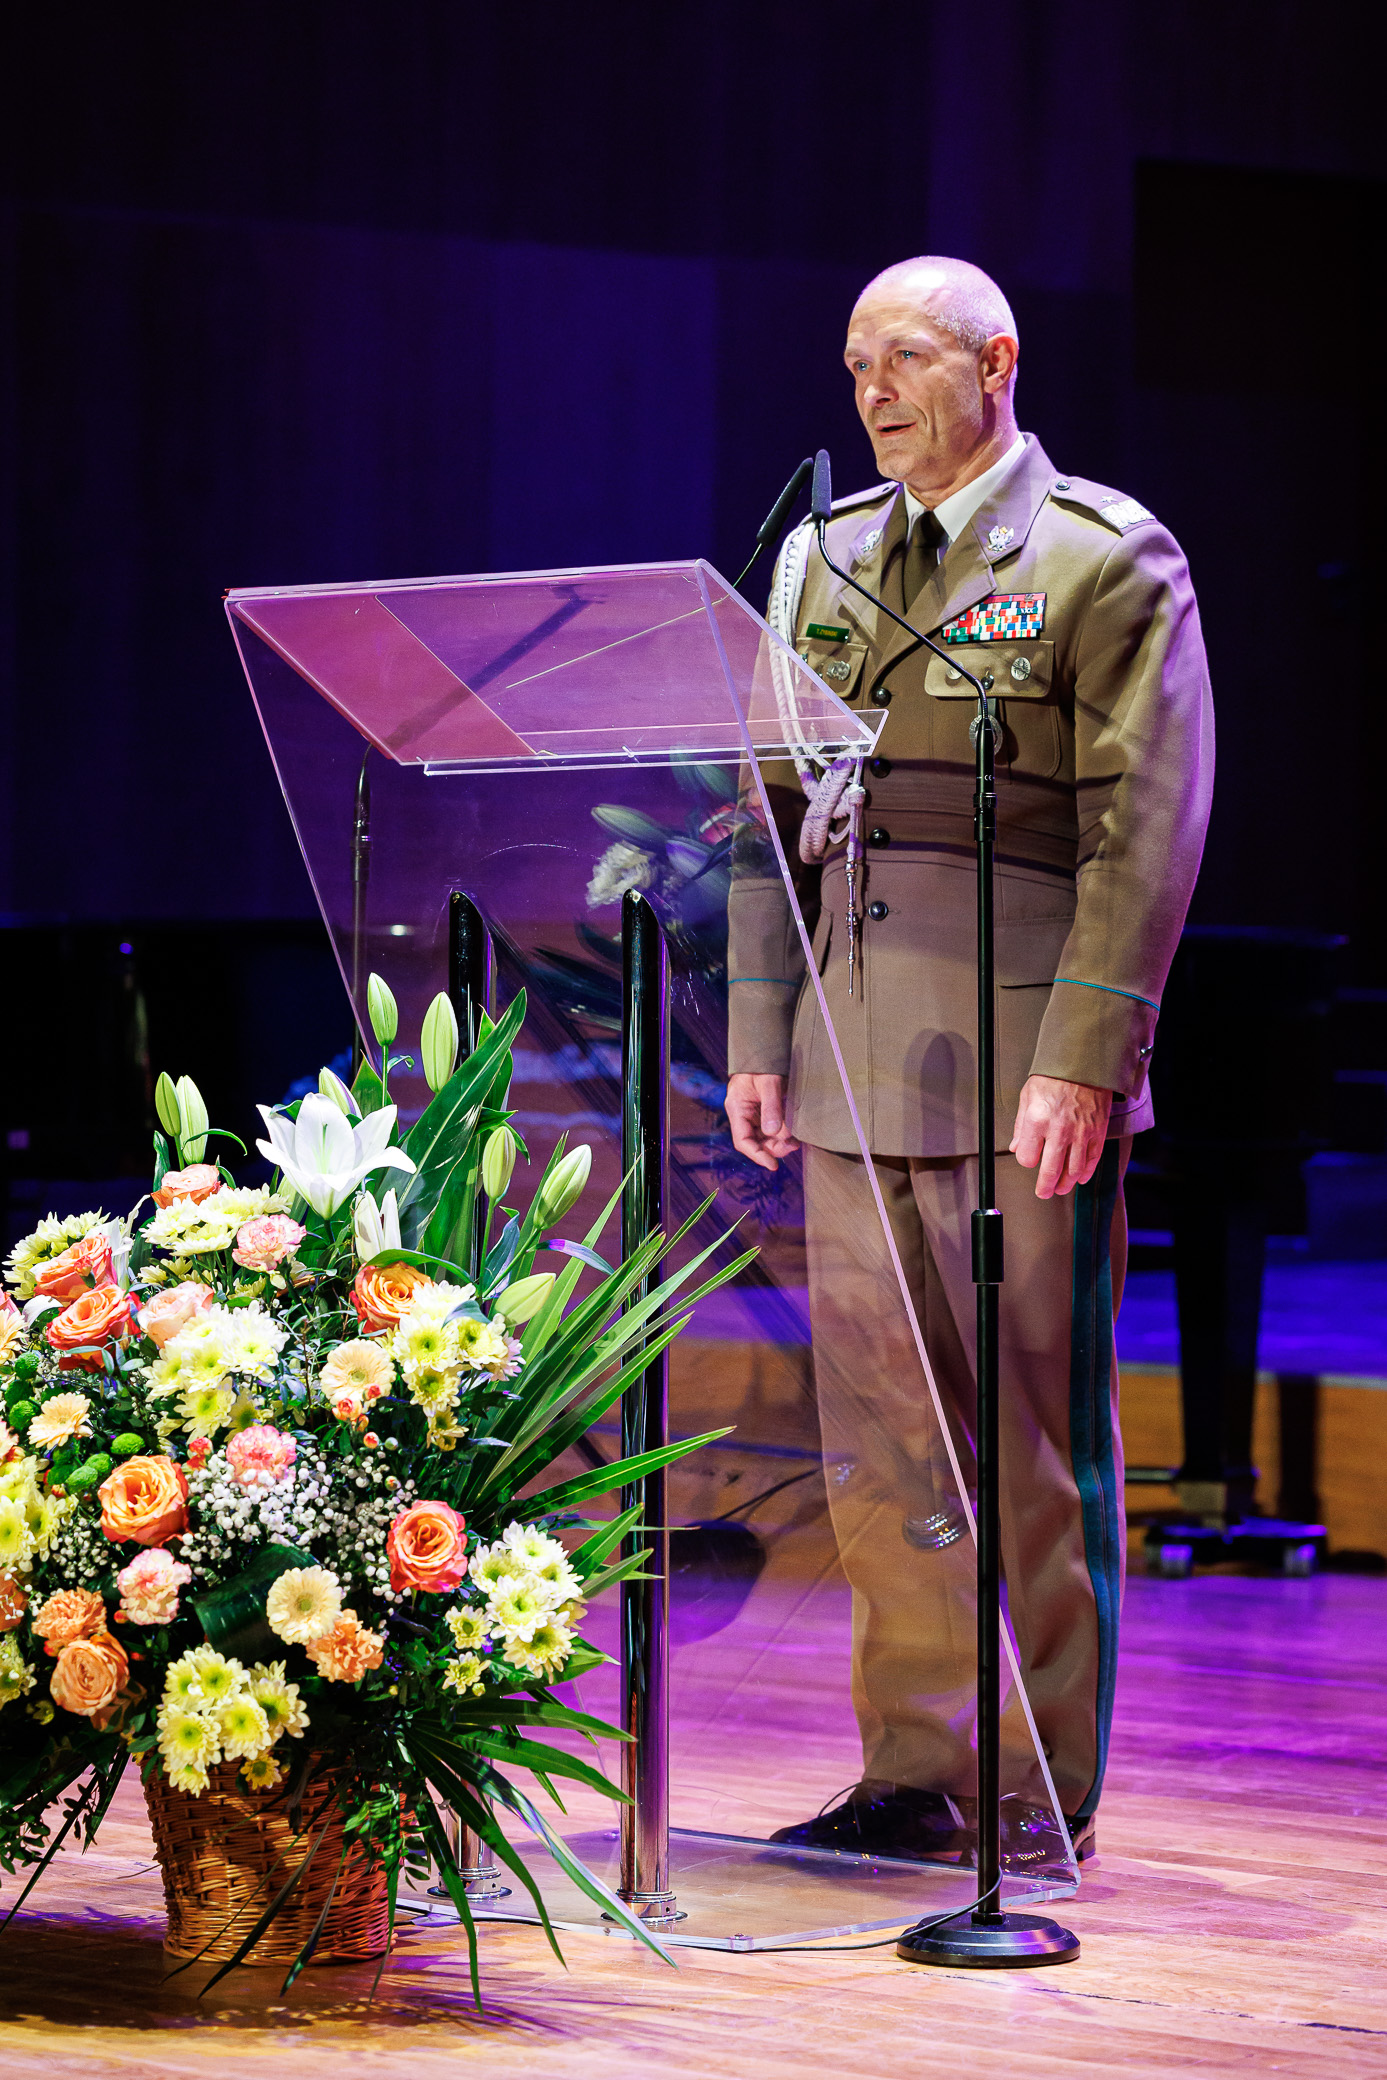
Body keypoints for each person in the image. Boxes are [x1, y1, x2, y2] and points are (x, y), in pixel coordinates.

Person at [723, 256, 1214, 1866]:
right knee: (884, 1446)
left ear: (997, 363)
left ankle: (1036, 1792)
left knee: (1032, 1437)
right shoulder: (822, 559)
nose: (874, 391)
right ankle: (915, 1770)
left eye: (908, 358)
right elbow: (767, 814)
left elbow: (1146, 822)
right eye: (855, 364)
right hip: (858, 1060)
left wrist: (1089, 1053)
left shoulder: (1098, 554)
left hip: (1022, 1067)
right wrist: (763, 1028)